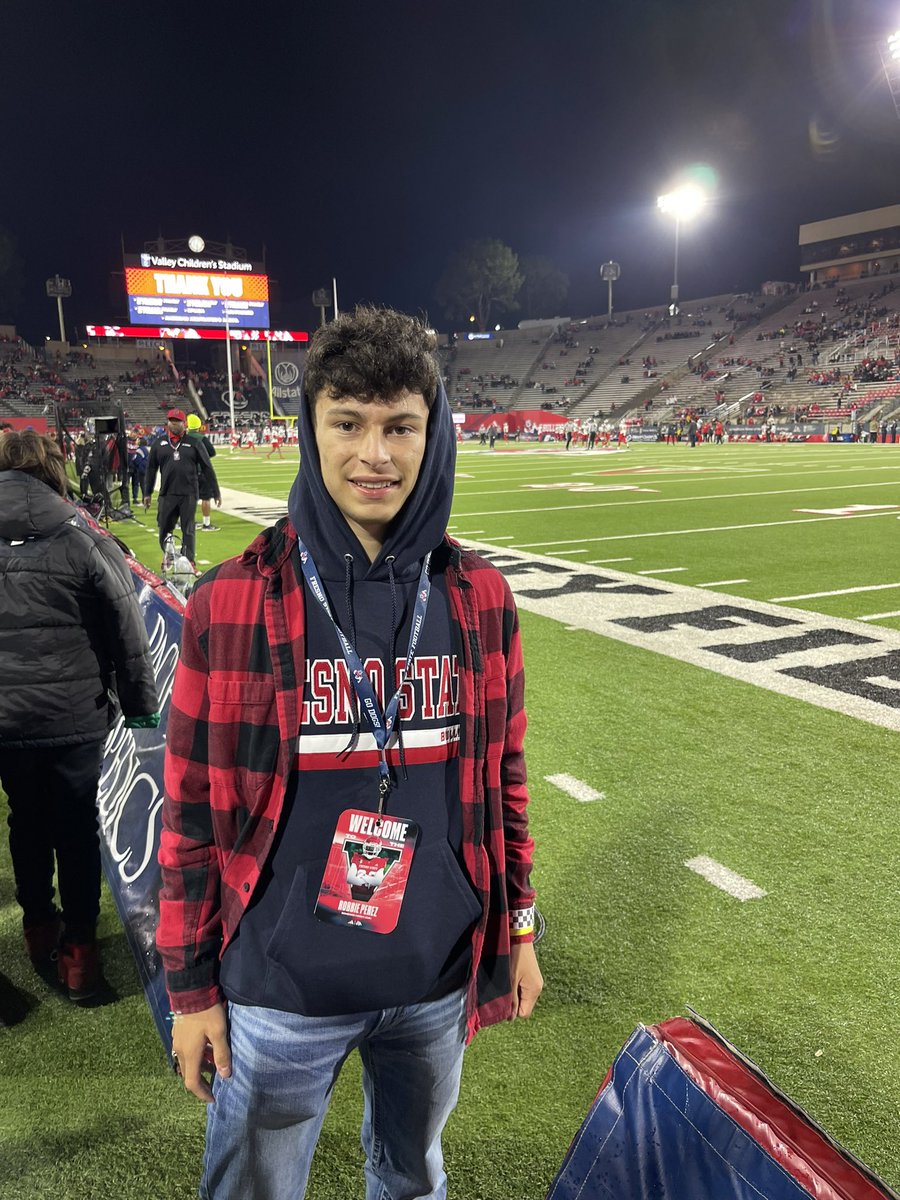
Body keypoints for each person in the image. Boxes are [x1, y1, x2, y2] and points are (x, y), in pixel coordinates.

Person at [157, 306, 542, 1200]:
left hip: (434, 977)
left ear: (432, 433)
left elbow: (504, 783)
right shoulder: (234, 599)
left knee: (411, 1179)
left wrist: (518, 924)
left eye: (400, 426)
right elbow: (188, 810)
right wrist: (190, 988)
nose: (376, 454)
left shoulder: (479, 596)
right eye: (349, 424)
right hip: (278, 989)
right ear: (313, 430)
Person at [0, 430, 159, 999]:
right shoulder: (80, 534)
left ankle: (38, 927)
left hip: (7, 719)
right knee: (75, 827)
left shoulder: (79, 533)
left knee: (26, 818)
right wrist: (141, 707)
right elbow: (127, 627)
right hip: (75, 713)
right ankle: (80, 955)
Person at [143, 409, 219, 571]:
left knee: (188, 529)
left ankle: (189, 560)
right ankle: (168, 555)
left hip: (189, 493)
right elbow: (150, 469)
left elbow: (207, 468)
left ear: (184, 423)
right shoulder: (159, 443)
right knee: (164, 527)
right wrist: (147, 492)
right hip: (166, 493)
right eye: (171, 420)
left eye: (177, 420)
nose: (173, 423)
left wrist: (216, 492)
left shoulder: (194, 442)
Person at [186, 414, 221, 532]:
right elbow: (212, 452)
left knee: (189, 499)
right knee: (206, 498)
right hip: (202, 472)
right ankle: (206, 524)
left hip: (188, 473)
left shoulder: (183, 439)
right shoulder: (201, 438)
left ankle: (190, 522)